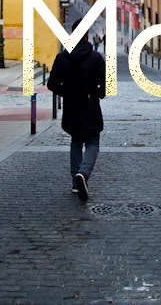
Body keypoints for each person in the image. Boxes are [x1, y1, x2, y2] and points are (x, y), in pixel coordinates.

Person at [47, 19, 106, 202]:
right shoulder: (96, 58)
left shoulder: (62, 58)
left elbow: (52, 84)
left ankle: (75, 182)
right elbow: (104, 87)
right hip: (90, 106)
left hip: (71, 107)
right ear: (87, 35)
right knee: (92, 142)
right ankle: (83, 173)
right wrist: (96, 94)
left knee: (76, 141)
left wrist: (67, 92)